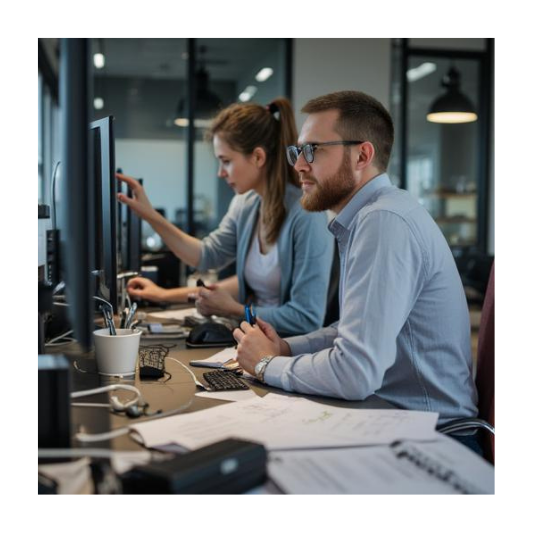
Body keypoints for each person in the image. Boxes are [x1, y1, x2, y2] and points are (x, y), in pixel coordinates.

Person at [233, 91, 479, 438]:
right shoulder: (372, 216)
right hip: (395, 419)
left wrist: (266, 364)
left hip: (435, 438)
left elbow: (355, 372)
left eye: (312, 150)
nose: (299, 165)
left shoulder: (384, 222)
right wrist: (287, 348)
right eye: (297, 151)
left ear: (362, 154)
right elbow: (352, 330)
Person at [116, 98, 334, 337]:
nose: (221, 173)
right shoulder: (246, 204)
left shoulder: (306, 215)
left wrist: (235, 310)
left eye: (226, 162)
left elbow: (306, 320)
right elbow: (208, 255)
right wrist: (149, 215)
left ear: (258, 157)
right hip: (253, 342)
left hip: (288, 351)